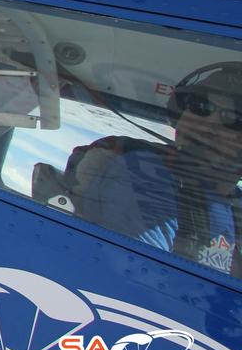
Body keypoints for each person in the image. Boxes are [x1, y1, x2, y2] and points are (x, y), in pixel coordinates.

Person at [66, 62, 242, 277]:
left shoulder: (233, 203)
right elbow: (136, 281)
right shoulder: (147, 173)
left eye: (236, 121)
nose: (207, 125)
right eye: (200, 106)